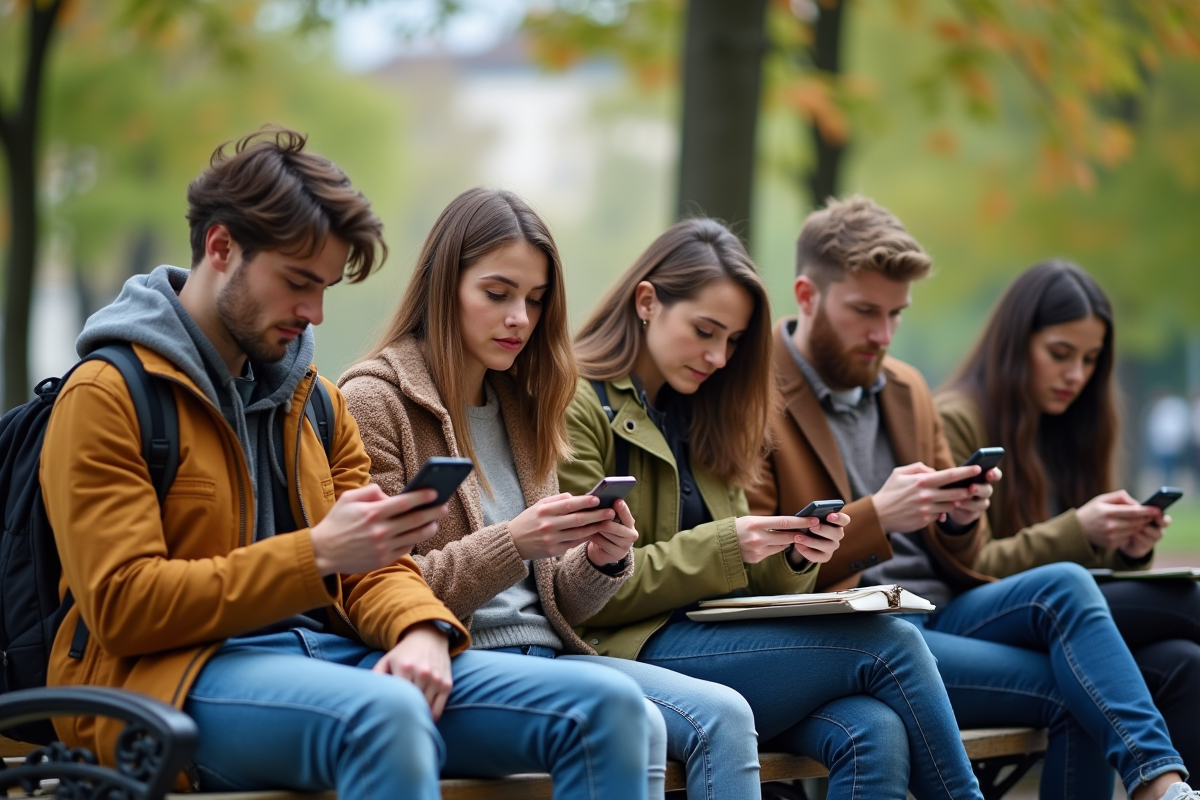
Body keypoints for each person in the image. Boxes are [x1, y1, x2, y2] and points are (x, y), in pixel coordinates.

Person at [39, 129, 650, 799]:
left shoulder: (317, 402)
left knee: (608, 708)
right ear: (221, 248)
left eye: (326, 287)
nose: (315, 313)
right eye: (299, 282)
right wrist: (317, 553)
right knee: (386, 716)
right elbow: (124, 607)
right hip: (167, 678)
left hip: (330, 656)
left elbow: (376, 562)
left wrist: (419, 628)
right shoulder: (108, 393)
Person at [747, 195, 1195, 800]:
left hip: (943, 612)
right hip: (858, 632)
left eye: (897, 315)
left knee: (1066, 586)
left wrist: (957, 519)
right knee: (1086, 685)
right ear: (806, 296)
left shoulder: (906, 389)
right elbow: (757, 564)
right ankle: (1158, 781)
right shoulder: (753, 395)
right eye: (864, 312)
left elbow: (967, 557)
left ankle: (1160, 785)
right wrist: (879, 514)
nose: (882, 335)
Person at [340, 187, 756, 799]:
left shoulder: (524, 404)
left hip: (554, 655)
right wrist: (512, 542)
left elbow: (557, 596)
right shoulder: (373, 401)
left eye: (535, 301)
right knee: (628, 713)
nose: (519, 319)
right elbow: (371, 585)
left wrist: (598, 557)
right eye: (497, 294)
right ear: (441, 285)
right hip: (452, 659)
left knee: (729, 714)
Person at [558, 217, 988, 800]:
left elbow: (741, 572)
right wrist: (730, 544)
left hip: (714, 639)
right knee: (891, 640)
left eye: (733, 341)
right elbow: (582, 593)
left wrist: (795, 556)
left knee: (875, 729)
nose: (717, 356)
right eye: (705, 331)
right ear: (647, 302)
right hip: (624, 647)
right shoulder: (578, 403)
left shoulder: (710, 410)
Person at [936, 259, 1200, 773]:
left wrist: (1128, 549)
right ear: (1016, 343)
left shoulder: (1076, 426)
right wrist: (1079, 530)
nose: (1075, 375)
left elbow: (1091, 576)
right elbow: (970, 562)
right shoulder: (956, 418)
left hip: (1063, 619)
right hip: (973, 619)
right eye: (1060, 354)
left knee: (1185, 665)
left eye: (1091, 360)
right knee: (1190, 602)